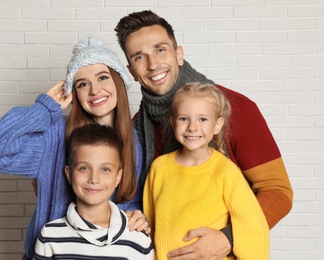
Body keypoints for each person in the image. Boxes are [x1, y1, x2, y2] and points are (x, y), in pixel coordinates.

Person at [115, 10, 293, 259]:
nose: (153, 64)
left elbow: (278, 191)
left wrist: (228, 238)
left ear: (179, 54)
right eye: (139, 57)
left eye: (160, 49)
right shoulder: (136, 129)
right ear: (132, 71)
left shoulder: (235, 108)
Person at [0, 37, 148, 259]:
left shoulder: (134, 140)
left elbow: (129, 197)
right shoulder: (56, 135)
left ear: (119, 81)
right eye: (82, 84)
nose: (95, 90)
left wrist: (137, 215)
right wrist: (44, 109)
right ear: (74, 93)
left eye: (103, 78)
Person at [143, 82, 269, 259]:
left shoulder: (225, 171)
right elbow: (150, 225)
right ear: (173, 122)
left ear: (217, 125)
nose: (192, 127)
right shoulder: (159, 168)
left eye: (202, 119)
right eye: (184, 119)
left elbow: (252, 225)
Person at [34, 124, 154, 259]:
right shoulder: (50, 236)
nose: (94, 179)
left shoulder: (138, 240)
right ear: (69, 174)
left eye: (105, 169)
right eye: (84, 168)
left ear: (118, 177)